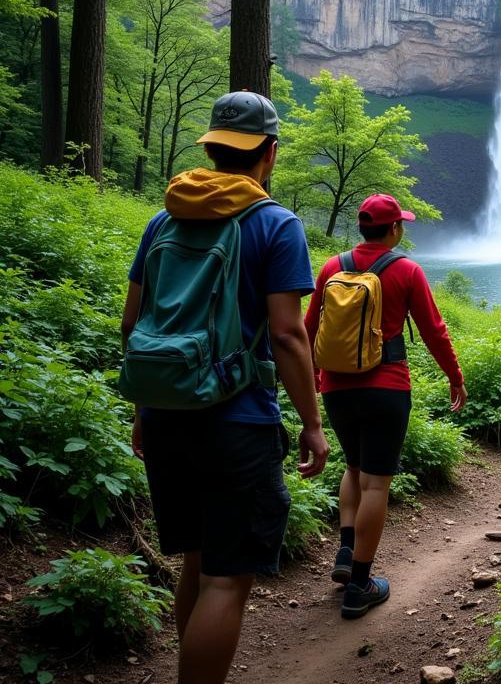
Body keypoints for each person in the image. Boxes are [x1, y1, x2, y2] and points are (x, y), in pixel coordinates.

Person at [121, 91, 329, 684]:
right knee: (225, 577)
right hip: (236, 420)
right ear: (270, 152)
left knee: (195, 560)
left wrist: (147, 407)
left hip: (166, 412)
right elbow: (289, 336)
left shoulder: (163, 218)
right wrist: (312, 424)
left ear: (211, 149)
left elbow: (134, 325)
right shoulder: (276, 224)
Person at [304, 194, 468, 619]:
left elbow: (308, 330)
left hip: (335, 388)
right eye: (402, 225)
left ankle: (345, 550)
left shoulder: (330, 266)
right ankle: (360, 583)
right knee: (376, 483)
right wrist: (455, 376)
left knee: (353, 468)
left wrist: (312, 384)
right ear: (394, 229)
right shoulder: (406, 270)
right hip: (386, 387)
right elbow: (434, 331)